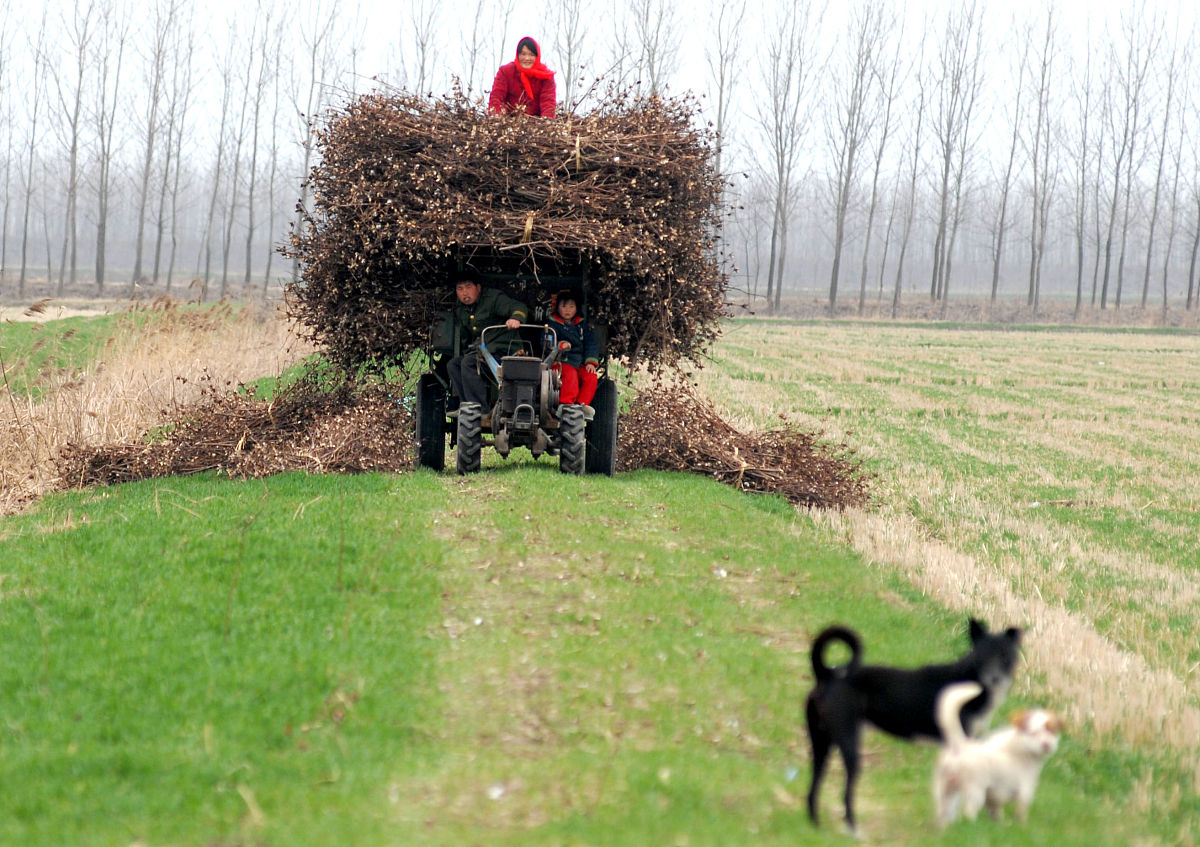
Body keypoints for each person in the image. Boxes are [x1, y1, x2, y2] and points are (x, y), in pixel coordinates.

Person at [446, 269, 528, 409]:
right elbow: (466, 338)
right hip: (483, 354)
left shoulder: (493, 299)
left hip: (503, 350)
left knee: (469, 363)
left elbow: (518, 307)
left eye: (468, 287)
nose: (465, 293)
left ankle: (478, 408)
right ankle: (467, 406)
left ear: (478, 288)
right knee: (454, 365)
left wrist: (516, 318)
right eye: (460, 289)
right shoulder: (461, 310)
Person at [548, 291, 599, 412]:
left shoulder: (582, 326)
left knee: (590, 377)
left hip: (579, 362)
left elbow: (591, 343)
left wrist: (590, 362)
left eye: (571, 306)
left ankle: (581, 405)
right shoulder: (552, 324)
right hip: (561, 361)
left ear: (577, 308)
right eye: (564, 306)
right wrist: (560, 346)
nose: (567, 310)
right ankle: (566, 405)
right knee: (570, 375)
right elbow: (547, 343)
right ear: (557, 308)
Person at [488, 36, 556, 118]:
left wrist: (547, 122)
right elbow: (497, 97)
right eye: (523, 54)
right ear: (518, 55)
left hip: (536, 122)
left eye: (531, 55)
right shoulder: (506, 72)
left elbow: (548, 102)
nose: (527, 58)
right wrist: (498, 118)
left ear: (537, 56)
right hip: (508, 122)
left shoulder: (546, 76)